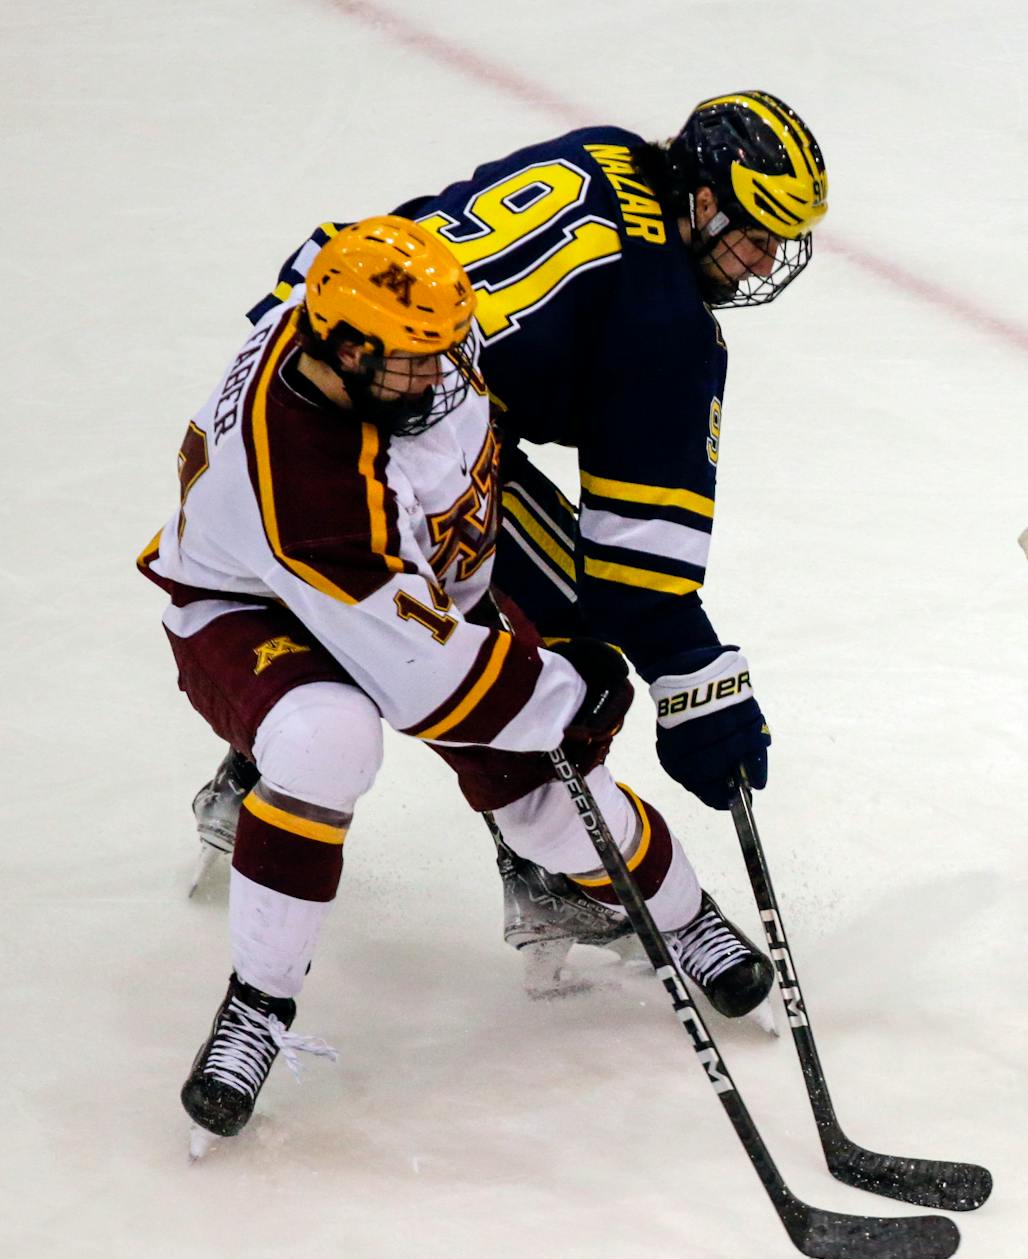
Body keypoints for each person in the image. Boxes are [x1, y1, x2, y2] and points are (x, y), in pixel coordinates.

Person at [141, 218, 773, 1141]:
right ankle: (258, 1007)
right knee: (329, 737)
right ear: (345, 353)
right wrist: (563, 685)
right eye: (410, 362)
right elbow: (424, 680)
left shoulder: (400, 346)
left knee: (556, 805)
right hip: (250, 610)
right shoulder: (305, 480)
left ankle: (685, 920)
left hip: (414, 584)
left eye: (447, 349)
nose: (440, 374)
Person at [188, 92, 828, 981]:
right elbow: (635, 572)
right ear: (705, 200)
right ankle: (537, 865)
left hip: (315, 358)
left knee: (371, 600)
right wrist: (694, 677)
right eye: (756, 234)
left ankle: (255, 767)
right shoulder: (669, 326)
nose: (763, 261)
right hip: (401, 428)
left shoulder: (604, 154)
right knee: (563, 650)